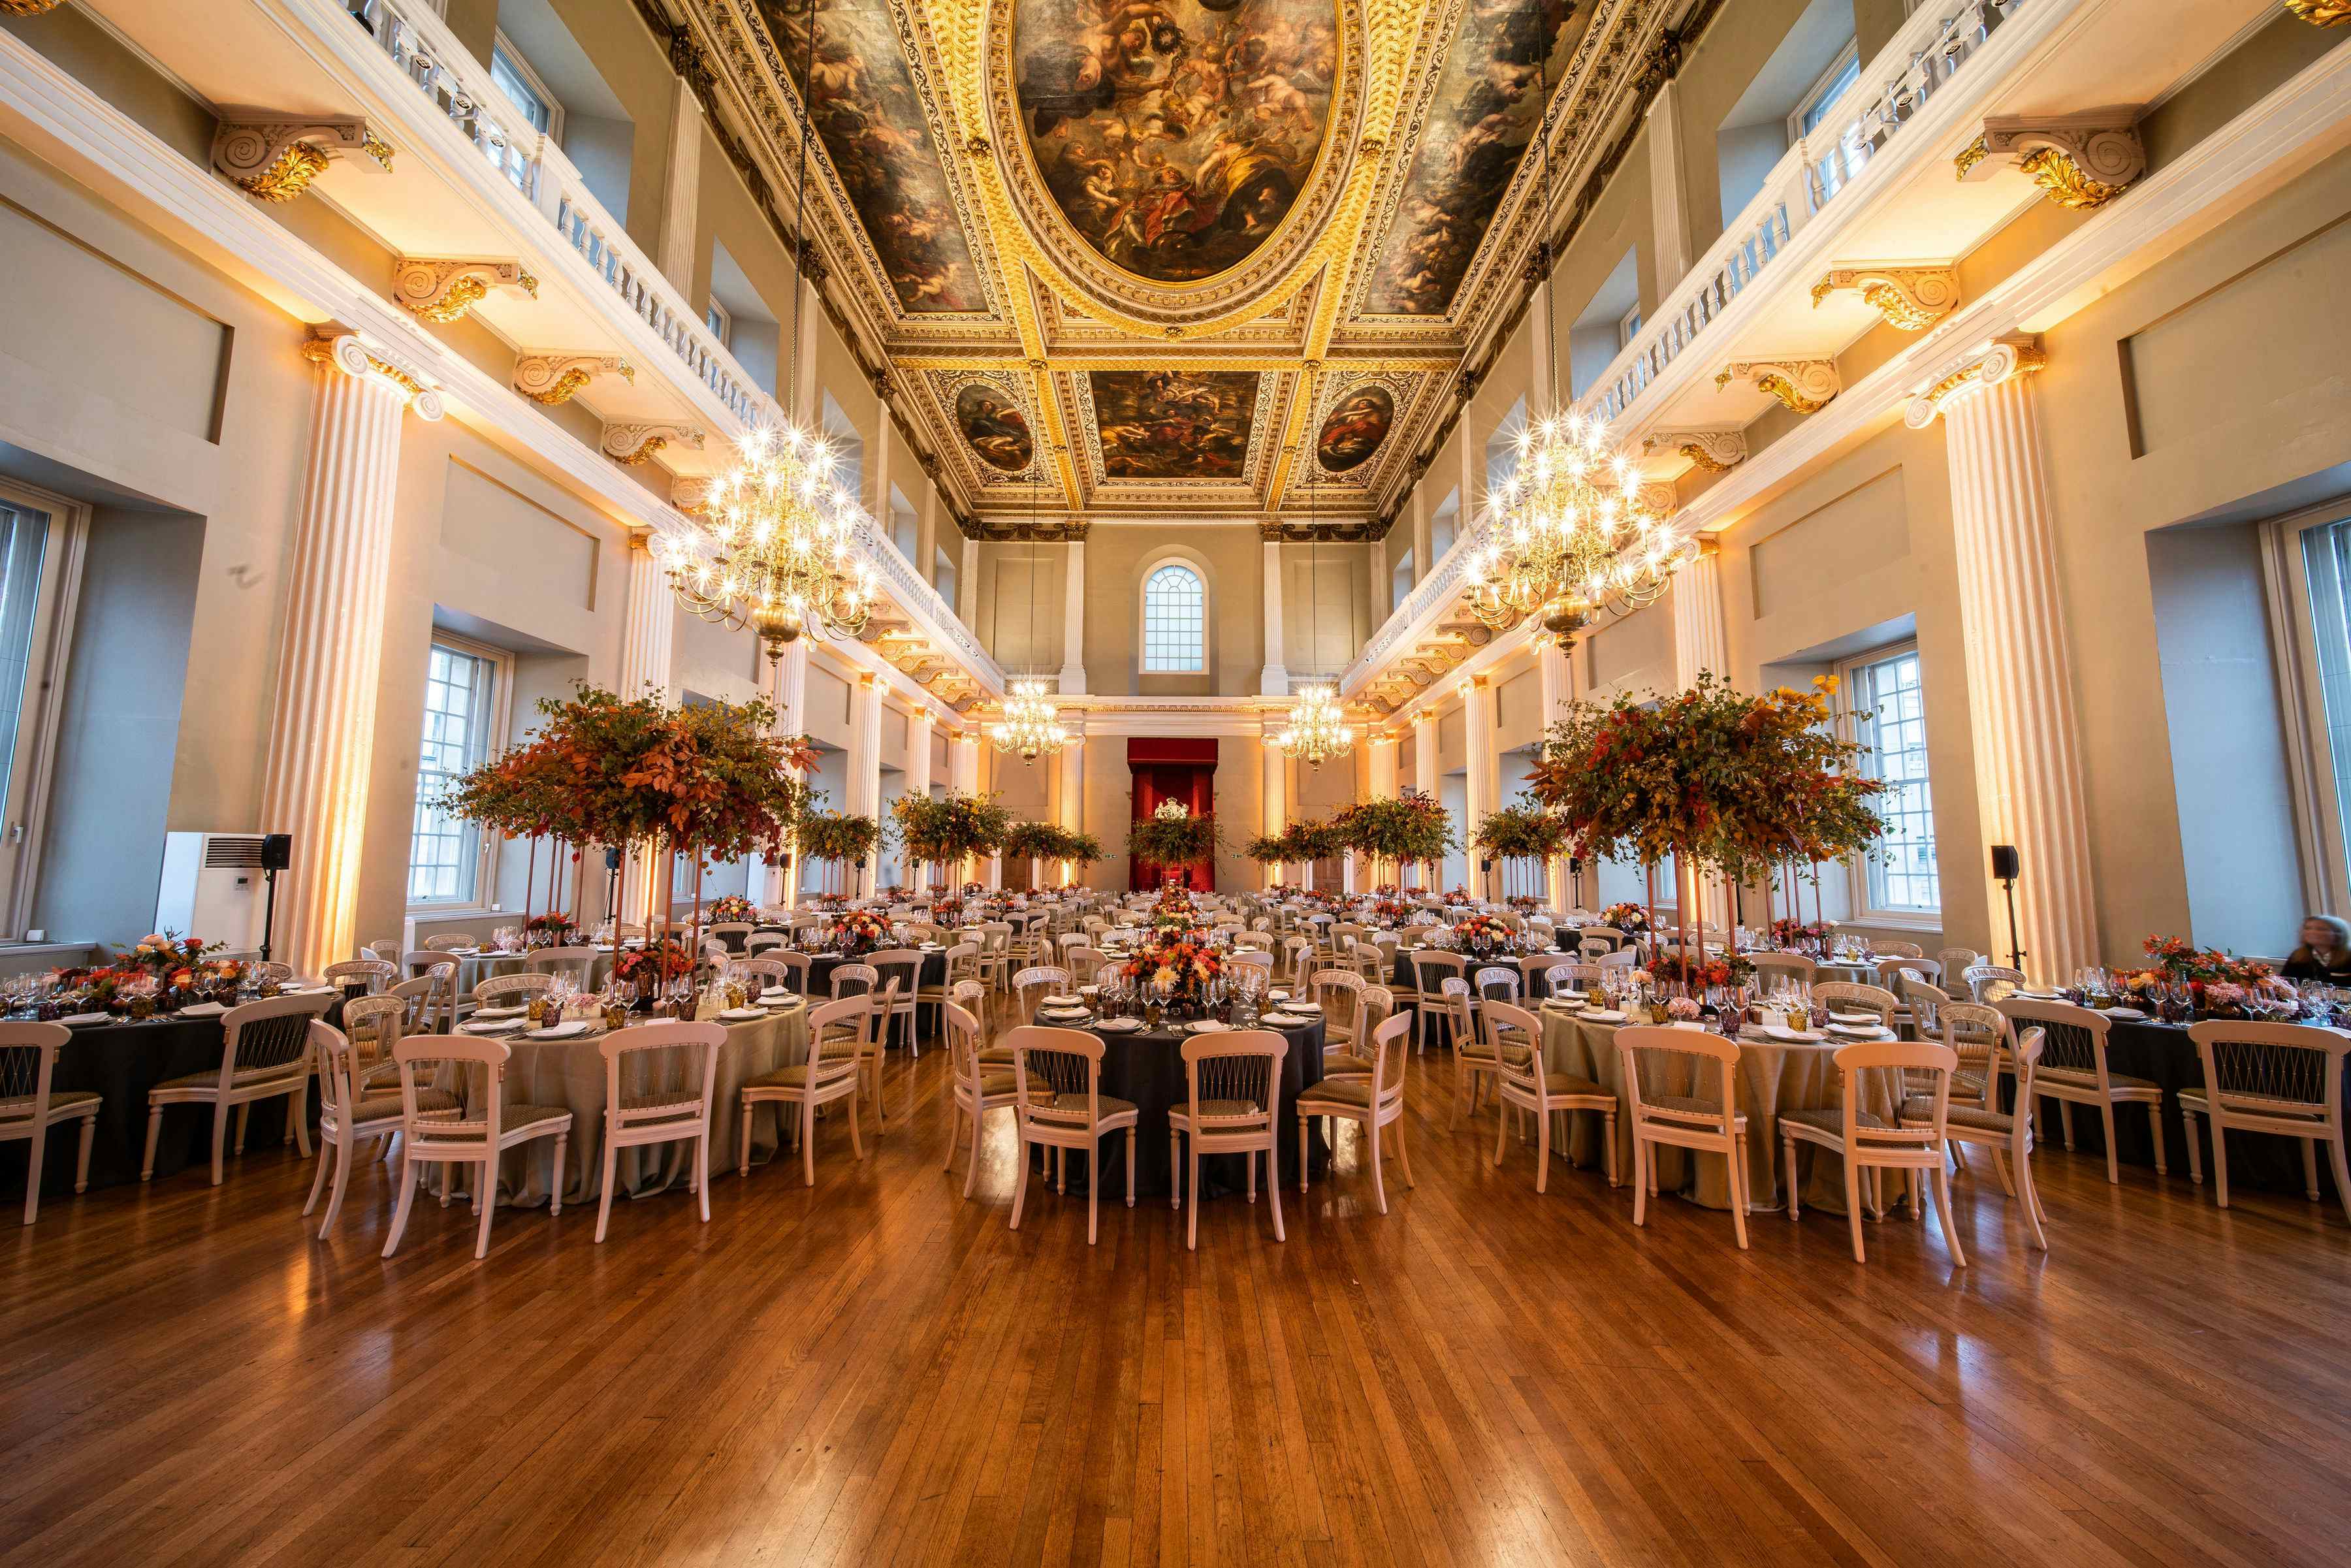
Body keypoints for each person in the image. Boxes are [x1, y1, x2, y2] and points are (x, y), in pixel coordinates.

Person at [2281, 914, 2351, 982]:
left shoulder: (2348, 957)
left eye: (2321, 929)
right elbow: (2285, 983)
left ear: (2338, 934)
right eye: (2308, 928)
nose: (2312, 932)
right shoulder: (2297, 957)